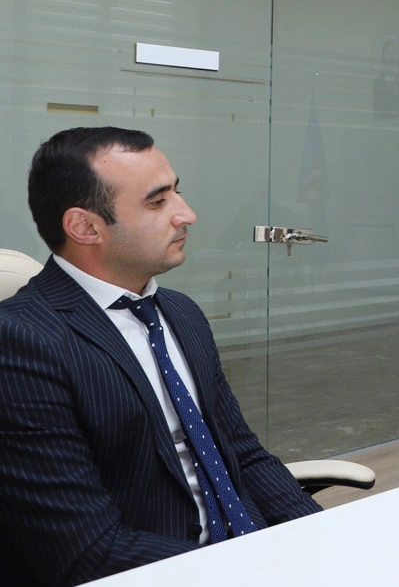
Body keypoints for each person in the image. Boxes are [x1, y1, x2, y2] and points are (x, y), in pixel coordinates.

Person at [0, 127, 322, 585]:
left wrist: (323, 539)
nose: (186, 214)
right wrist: (250, 571)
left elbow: (243, 454)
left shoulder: (180, 313)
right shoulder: (21, 342)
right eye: (157, 202)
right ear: (85, 227)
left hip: (251, 551)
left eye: (177, 192)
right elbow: (89, 551)